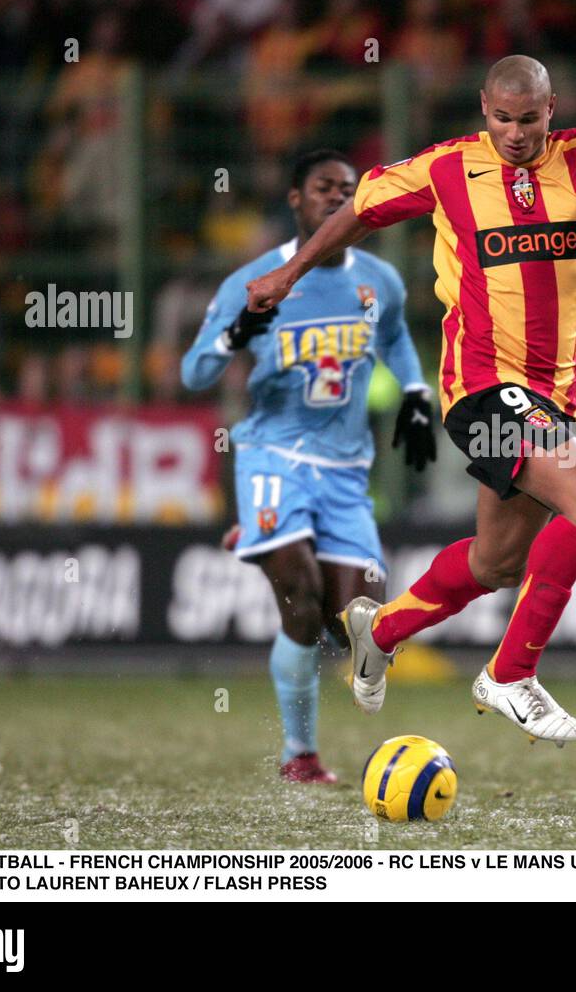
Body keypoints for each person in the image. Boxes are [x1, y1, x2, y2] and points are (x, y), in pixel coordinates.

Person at [245, 55, 576, 745]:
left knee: (495, 564)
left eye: (529, 119)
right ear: (483, 108)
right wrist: (287, 275)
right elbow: (358, 212)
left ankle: (377, 630)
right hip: (480, 388)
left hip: (552, 395)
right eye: (503, 119)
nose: (517, 133)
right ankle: (510, 674)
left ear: (551, 109)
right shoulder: (447, 169)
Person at [182, 149, 435, 781]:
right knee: (299, 600)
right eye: (324, 187)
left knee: (364, 627)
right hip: (275, 453)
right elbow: (194, 373)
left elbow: (397, 338)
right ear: (295, 199)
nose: (337, 197)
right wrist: (235, 334)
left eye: (348, 191)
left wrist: (414, 392)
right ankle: (300, 755)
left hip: (347, 471)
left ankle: (269, 533)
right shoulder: (259, 280)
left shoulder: (379, 281)